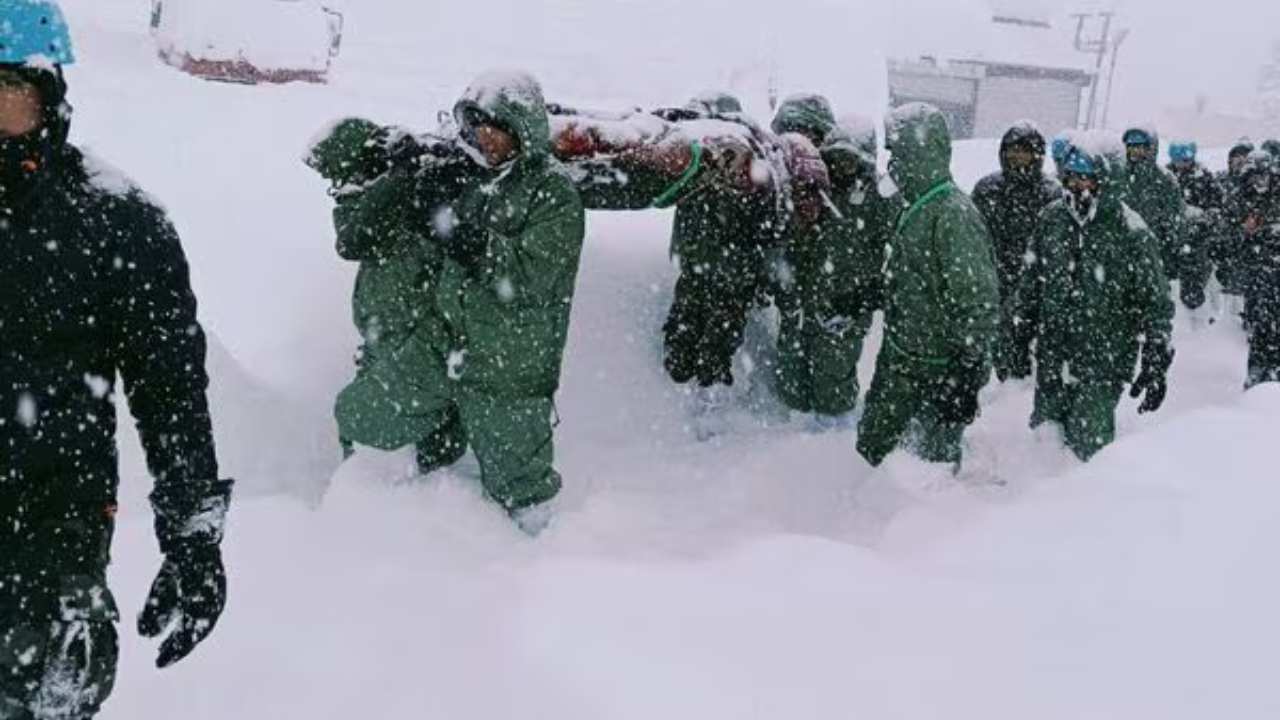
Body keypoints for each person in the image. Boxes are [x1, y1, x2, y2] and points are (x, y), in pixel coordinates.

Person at [1, 2, 233, 717]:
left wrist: (192, 534)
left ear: (50, 97)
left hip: (51, 533)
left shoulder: (116, 222)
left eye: (6, 95)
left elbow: (170, 390)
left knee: (49, 692)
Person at [322, 71, 585, 534]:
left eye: (495, 126)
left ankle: (542, 574)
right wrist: (412, 181)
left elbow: (530, 277)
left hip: (509, 364)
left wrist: (464, 237)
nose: (484, 137)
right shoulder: (465, 174)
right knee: (363, 415)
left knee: (522, 493)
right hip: (441, 344)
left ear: (521, 129)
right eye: (476, 125)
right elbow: (363, 235)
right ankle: (369, 517)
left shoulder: (553, 193)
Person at [1001, 147, 1174, 460]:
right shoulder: (1052, 218)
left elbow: (1155, 298)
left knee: (1088, 448)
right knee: (1046, 439)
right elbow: (1031, 278)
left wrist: (1156, 350)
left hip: (1104, 357)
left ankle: (1086, 504)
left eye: (1088, 179)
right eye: (1072, 177)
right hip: (1054, 352)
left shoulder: (1131, 230)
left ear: (1107, 182)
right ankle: (1037, 505)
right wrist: (1020, 329)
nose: (1078, 186)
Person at [856, 103, 999, 468]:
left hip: (938, 372)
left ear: (922, 151)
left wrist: (966, 373)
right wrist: (875, 291)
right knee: (876, 452)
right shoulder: (913, 205)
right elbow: (916, 274)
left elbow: (978, 301)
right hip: (901, 361)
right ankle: (865, 520)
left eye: (899, 153)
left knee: (926, 472)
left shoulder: (952, 214)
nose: (893, 163)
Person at [773, 116, 894, 426]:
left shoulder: (880, 198)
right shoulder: (809, 189)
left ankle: (832, 438)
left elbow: (899, 253)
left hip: (845, 307)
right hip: (800, 300)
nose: (842, 166)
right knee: (791, 372)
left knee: (832, 376)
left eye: (850, 159)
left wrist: (870, 293)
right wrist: (779, 280)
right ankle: (789, 438)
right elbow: (783, 239)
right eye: (836, 158)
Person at [971, 121, 1061, 380]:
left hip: (1032, 281)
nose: (1017, 156)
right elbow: (973, 233)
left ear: (1037, 155)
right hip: (990, 277)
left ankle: (1013, 390)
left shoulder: (1051, 193)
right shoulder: (987, 188)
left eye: (1025, 150)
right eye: (1012, 149)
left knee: (1021, 350)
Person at [1121, 126, 1191, 304]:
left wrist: (1173, 253)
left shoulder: (1164, 180)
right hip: (1121, 251)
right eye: (1131, 146)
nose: (1135, 151)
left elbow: (1176, 221)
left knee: (1153, 301)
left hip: (1155, 253)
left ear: (1151, 148)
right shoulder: (1118, 175)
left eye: (1141, 147)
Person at [1235, 152, 1280, 387]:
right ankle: (1257, 368)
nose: (1259, 183)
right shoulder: (1244, 201)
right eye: (1254, 179)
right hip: (1257, 272)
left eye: (1262, 178)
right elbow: (1232, 238)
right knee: (1261, 322)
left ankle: (1275, 367)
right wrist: (1246, 233)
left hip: (1274, 268)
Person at [1165, 140, 1222, 311]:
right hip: (1170, 233)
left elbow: (1217, 207)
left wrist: (1201, 220)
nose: (1182, 164)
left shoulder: (1203, 177)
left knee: (1195, 267)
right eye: (1178, 159)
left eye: (1185, 160)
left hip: (1197, 236)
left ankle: (1194, 308)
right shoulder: (1166, 176)